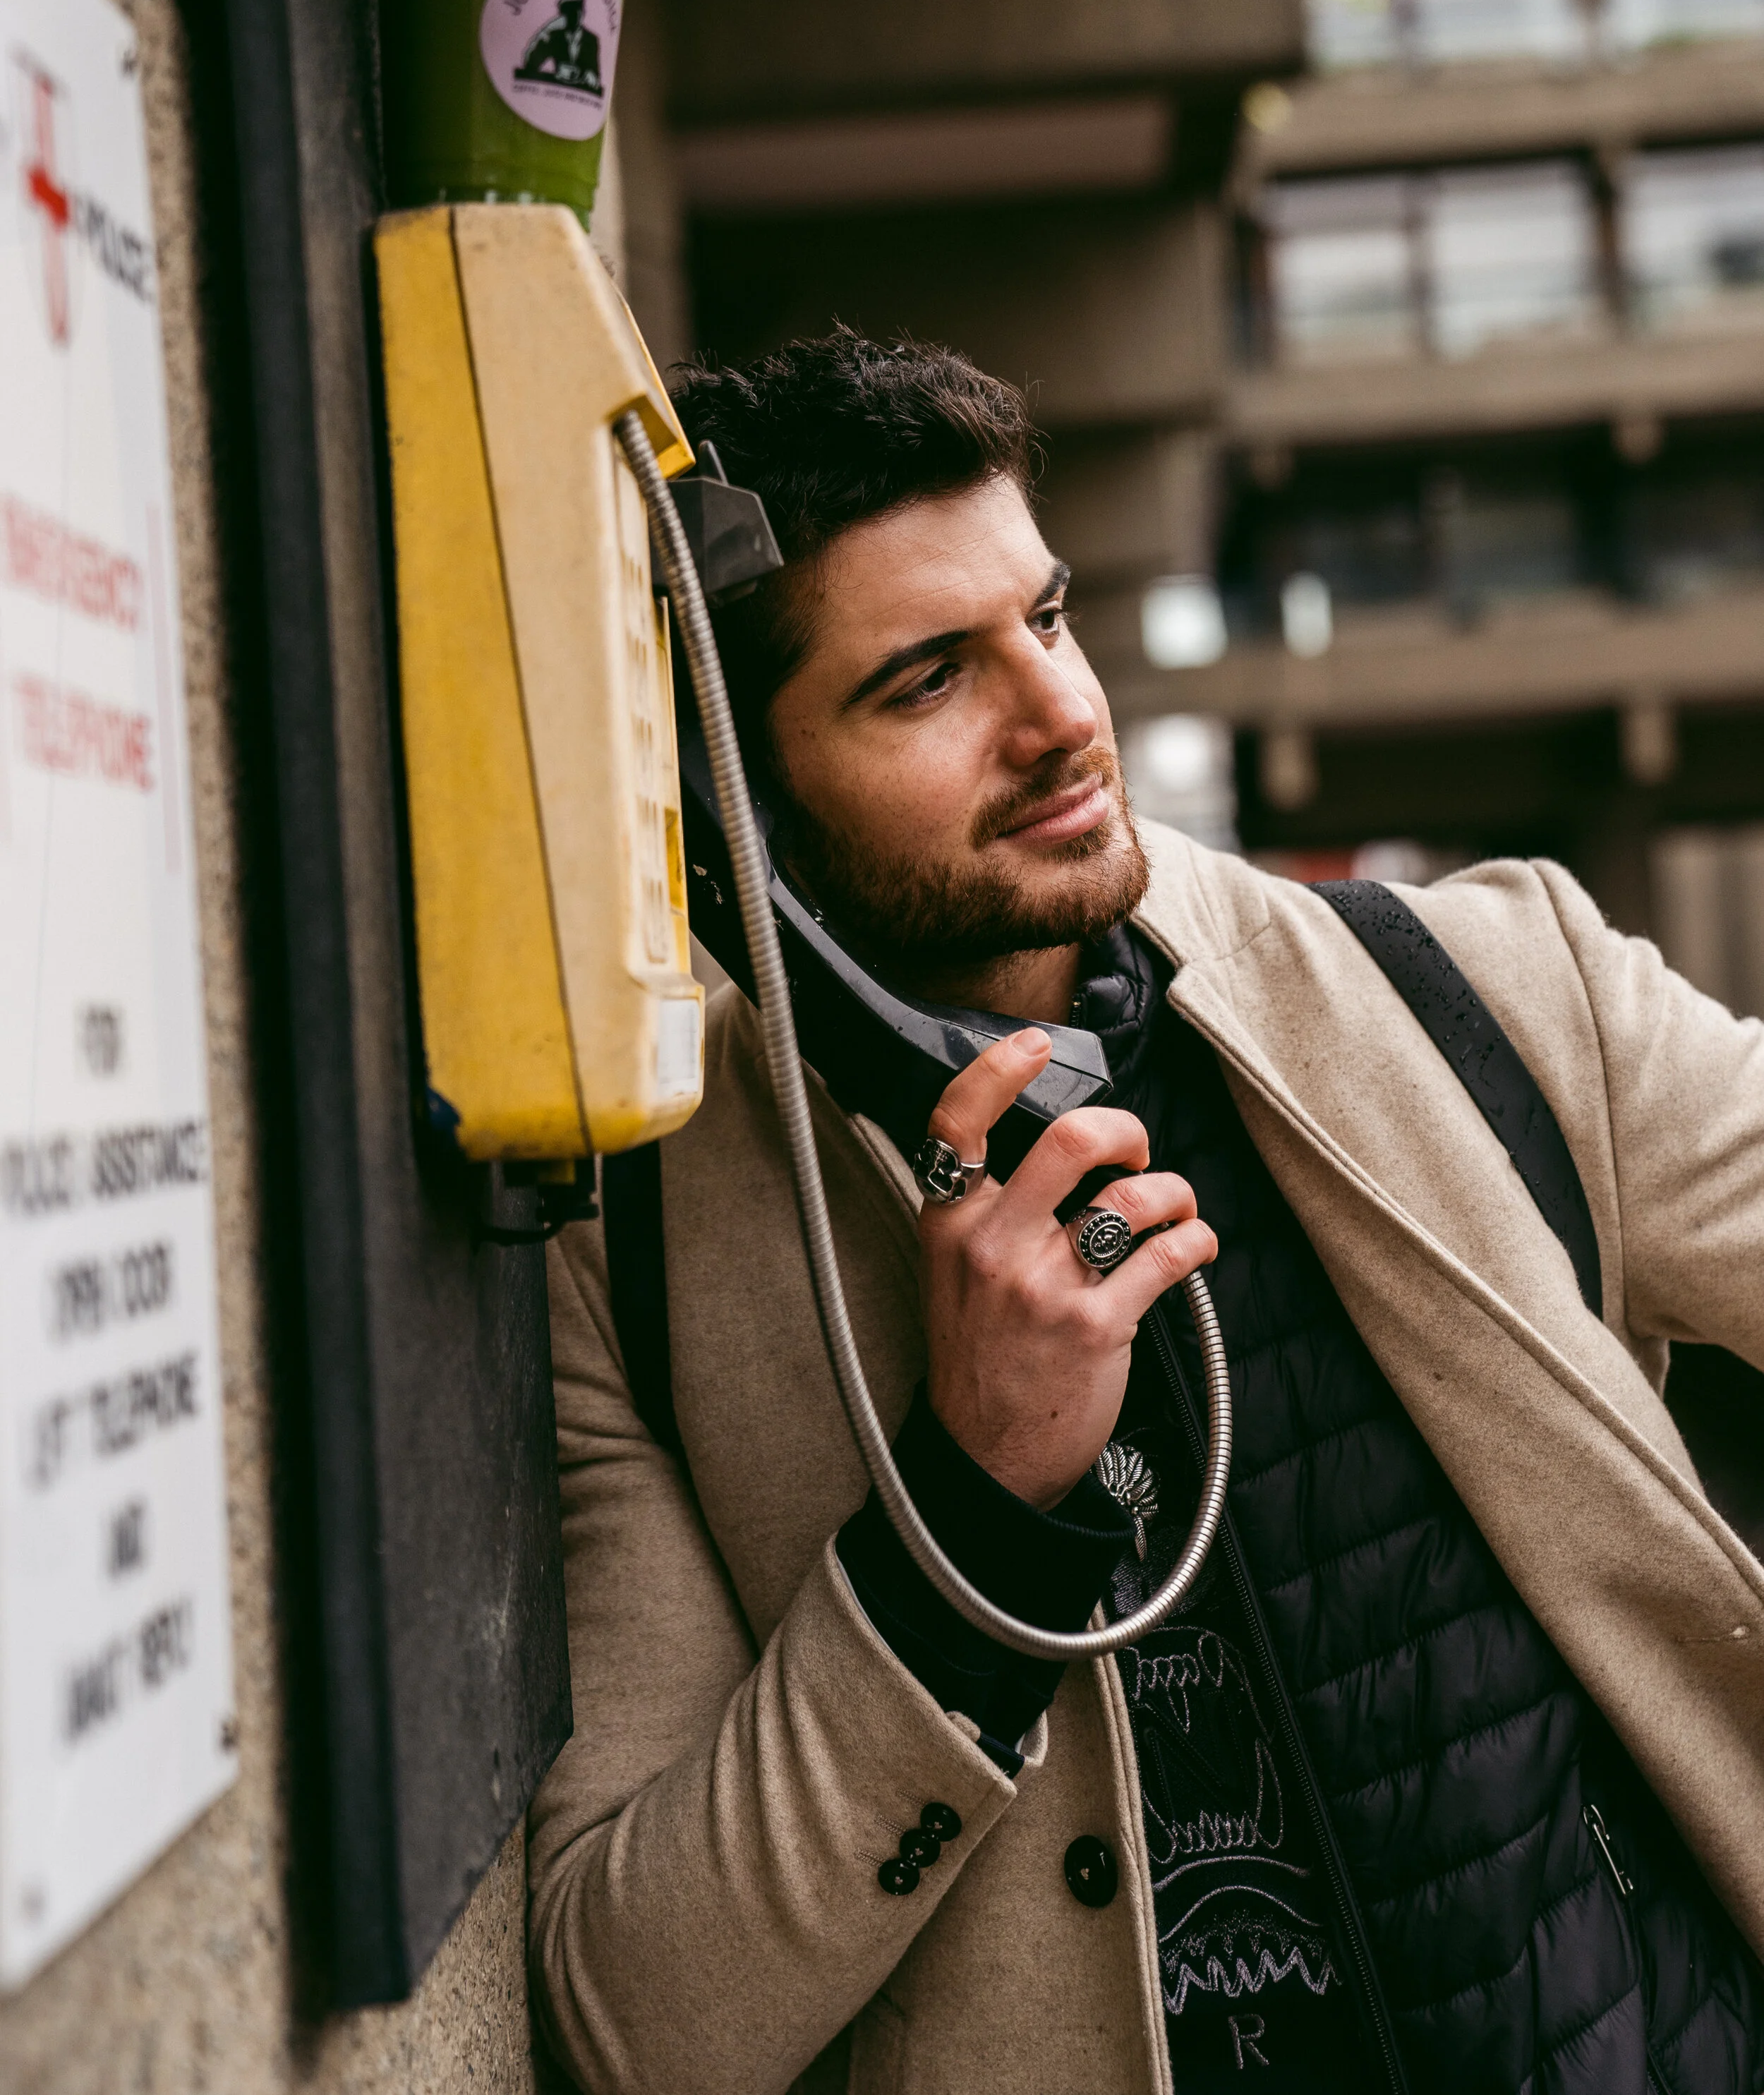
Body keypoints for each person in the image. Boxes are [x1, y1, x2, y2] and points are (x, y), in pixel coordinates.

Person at [528, 330, 1764, 2095]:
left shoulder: (1487, 993)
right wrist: (964, 1520)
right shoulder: (638, 1259)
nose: (1058, 719)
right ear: (726, 809)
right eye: (925, 681)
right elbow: (627, 2025)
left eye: (1046, 618)